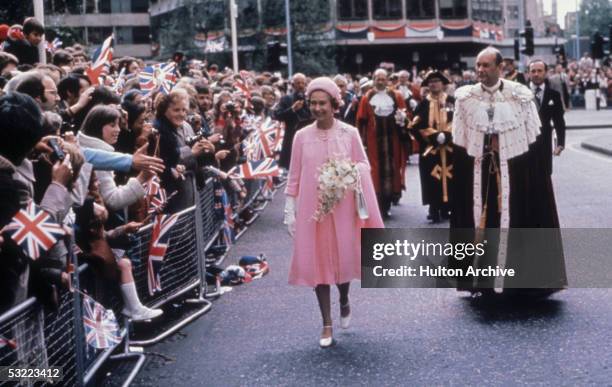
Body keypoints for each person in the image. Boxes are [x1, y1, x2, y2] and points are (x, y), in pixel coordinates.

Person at [450, 47, 566, 298]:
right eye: (478, 66)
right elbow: (461, 143)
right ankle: (483, 281)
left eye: (486, 66)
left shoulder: (520, 96)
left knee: (518, 220)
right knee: (484, 222)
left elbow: (532, 141)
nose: (480, 71)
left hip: (515, 173)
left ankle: (522, 281)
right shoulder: (465, 98)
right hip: (482, 175)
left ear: (500, 68)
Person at [283, 77, 383, 348]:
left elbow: (364, 164)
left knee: (343, 259)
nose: (317, 108)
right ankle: (326, 323)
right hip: (312, 209)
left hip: (343, 206)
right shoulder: (301, 136)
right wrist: (289, 209)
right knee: (319, 265)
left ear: (334, 104)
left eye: (322, 103)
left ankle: (344, 298)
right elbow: (294, 175)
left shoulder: (349, 133)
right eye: (313, 103)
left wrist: (347, 173)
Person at [356, 68, 408, 217]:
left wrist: (403, 119)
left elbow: (405, 116)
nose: (380, 81)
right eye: (377, 79)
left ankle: (388, 203)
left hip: (393, 141)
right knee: (375, 172)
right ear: (373, 80)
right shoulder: (367, 97)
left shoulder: (396, 95)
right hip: (373, 142)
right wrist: (362, 142)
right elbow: (361, 121)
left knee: (393, 169)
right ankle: (378, 205)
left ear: (387, 80)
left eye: (383, 79)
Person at [411, 70, 455, 223]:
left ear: (443, 84)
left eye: (436, 80)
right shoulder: (422, 104)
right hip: (430, 150)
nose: (433, 84)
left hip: (450, 149)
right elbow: (414, 126)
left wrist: (448, 135)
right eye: (430, 81)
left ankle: (447, 207)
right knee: (431, 179)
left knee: (451, 178)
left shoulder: (452, 101)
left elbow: (459, 122)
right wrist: (433, 136)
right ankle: (434, 209)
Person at [528, 60, 566, 175]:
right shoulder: (520, 93)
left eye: (539, 71)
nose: (536, 74)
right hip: (524, 142)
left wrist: (560, 143)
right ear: (528, 73)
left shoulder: (554, 95)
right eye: (533, 71)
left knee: (544, 175)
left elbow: (559, 121)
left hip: (544, 141)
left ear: (546, 73)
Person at [273, 73, 312, 170]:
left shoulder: (310, 99)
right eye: (298, 83)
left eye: (303, 83)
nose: (301, 85)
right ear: (293, 84)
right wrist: (292, 109)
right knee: (291, 166)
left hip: (308, 137)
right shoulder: (286, 99)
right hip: (291, 136)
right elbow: (277, 115)